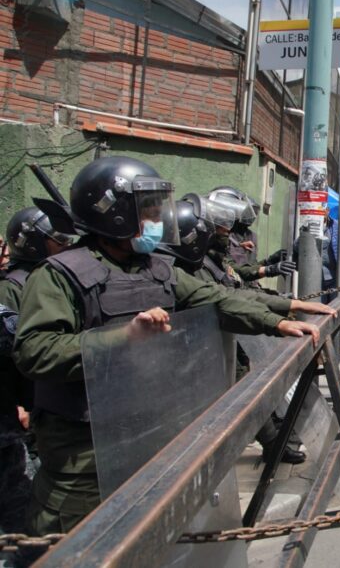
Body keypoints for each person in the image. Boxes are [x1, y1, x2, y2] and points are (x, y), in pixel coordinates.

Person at [12, 157, 321, 536]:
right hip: (84, 452)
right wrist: (123, 338)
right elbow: (35, 351)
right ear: (115, 214)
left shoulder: (155, 268)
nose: (158, 219)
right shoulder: (59, 275)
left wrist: (281, 317)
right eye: (149, 210)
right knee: (77, 544)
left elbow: (217, 297)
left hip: (149, 432)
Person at [156, 194, 335, 464]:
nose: (226, 235)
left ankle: (273, 441)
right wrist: (280, 317)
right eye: (219, 230)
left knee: (244, 394)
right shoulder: (178, 271)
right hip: (196, 356)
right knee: (234, 400)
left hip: (224, 341)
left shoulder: (206, 262)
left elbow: (236, 290)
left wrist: (288, 305)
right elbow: (225, 299)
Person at [0, 208, 72, 537]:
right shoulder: (13, 287)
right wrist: (21, 402)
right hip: (22, 411)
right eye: (56, 241)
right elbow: (20, 351)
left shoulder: (49, 278)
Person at [206, 187, 292, 287]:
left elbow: (248, 269)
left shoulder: (249, 236)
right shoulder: (212, 248)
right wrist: (269, 269)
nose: (227, 230)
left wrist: (270, 261)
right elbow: (239, 271)